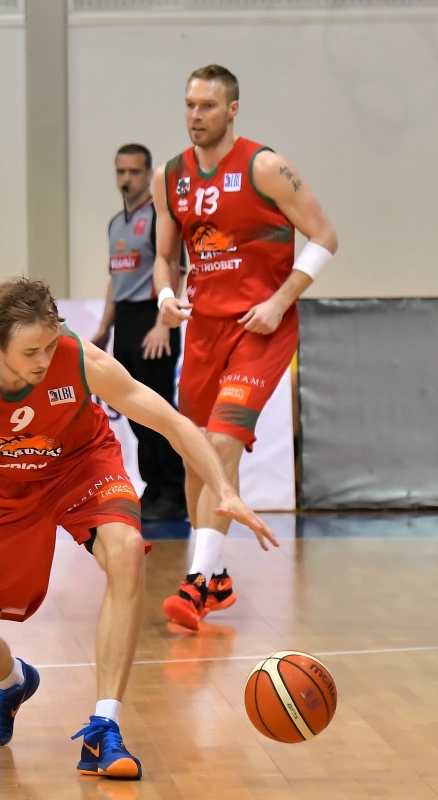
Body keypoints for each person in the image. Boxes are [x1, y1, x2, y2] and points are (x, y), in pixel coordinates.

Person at [0, 278, 277, 779]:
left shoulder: (78, 358)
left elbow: (172, 422)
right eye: (30, 351)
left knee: (127, 549)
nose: (44, 359)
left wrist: (224, 490)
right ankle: (13, 682)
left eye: (50, 344)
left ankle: (104, 726)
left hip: (81, 467)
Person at [151, 65, 337, 631]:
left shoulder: (265, 167)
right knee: (194, 453)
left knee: (221, 442)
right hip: (204, 330)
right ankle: (219, 576)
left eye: (207, 105)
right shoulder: (169, 176)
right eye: (189, 104)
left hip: (261, 329)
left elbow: (324, 236)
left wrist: (280, 301)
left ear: (232, 109)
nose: (195, 115)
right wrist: (166, 296)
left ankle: (196, 582)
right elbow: (166, 257)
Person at [91, 143, 188, 521]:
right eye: (121, 171)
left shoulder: (160, 218)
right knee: (134, 409)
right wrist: (105, 327)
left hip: (154, 317)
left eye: (134, 172)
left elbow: (174, 269)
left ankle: (175, 491)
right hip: (127, 322)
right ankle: (153, 486)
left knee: (158, 407)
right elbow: (115, 280)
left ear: (148, 175)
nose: (126, 179)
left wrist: (164, 323)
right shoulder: (116, 223)